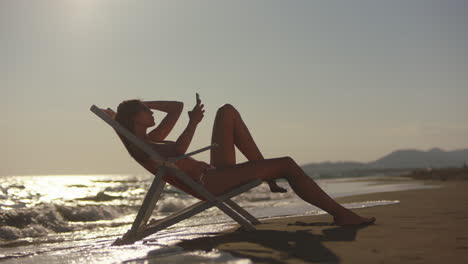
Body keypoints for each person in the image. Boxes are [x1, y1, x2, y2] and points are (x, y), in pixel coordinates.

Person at [108, 95, 375, 226]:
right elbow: (178, 148)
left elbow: (176, 106)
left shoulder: (150, 137)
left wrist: (143, 103)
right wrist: (192, 123)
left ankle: (267, 174)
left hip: (214, 172)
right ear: (134, 118)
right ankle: (340, 215)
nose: (150, 111)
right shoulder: (143, 145)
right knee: (287, 163)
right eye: (145, 110)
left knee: (227, 111)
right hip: (210, 182)